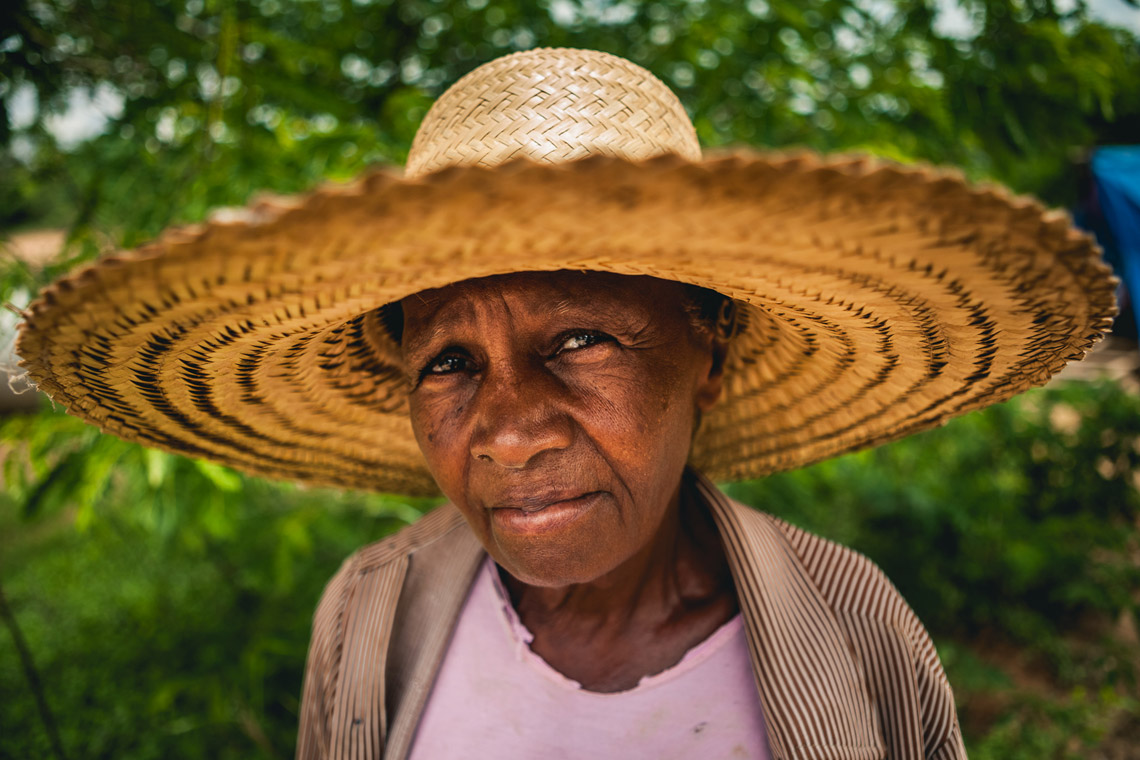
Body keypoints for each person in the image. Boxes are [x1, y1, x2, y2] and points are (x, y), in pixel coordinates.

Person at [14, 48, 1116, 759]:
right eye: (448, 361)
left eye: (580, 339)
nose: (507, 427)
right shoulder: (367, 613)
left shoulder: (855, 626)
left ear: (709, 353)